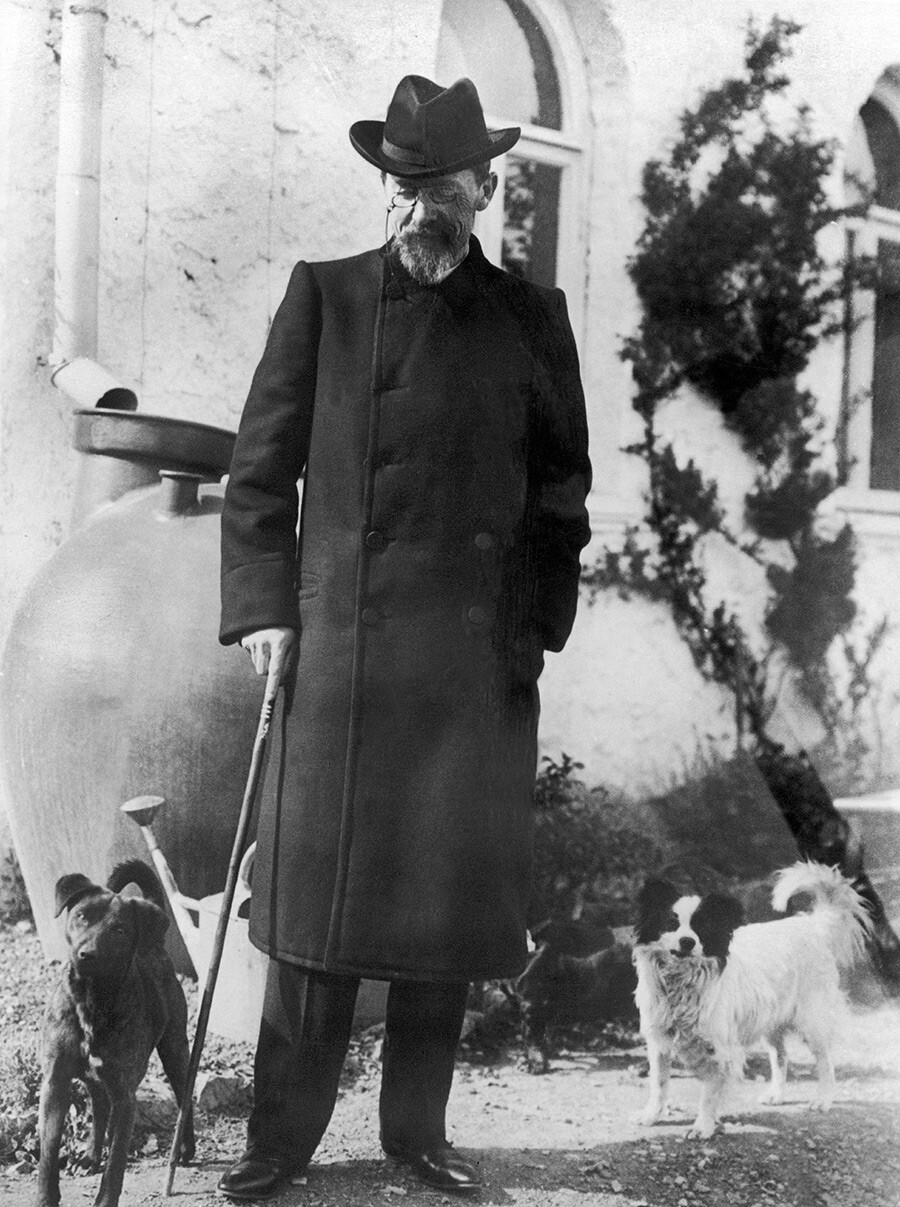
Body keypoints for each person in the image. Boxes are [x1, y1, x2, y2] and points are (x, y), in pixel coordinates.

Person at [217, 73, 592, 1201]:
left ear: (487, 187)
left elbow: (562, 492)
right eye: (407, 180)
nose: (425, 201)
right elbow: (257, 474)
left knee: (442, 903)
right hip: (342, 650)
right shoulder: (323, 300)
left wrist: (528, 634)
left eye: (447, 183)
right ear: (385, 185)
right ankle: (278, 1140)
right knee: (313, 907)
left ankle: (415, 1135)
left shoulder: (533, 319)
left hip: (472, 661)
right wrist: (268, 611)